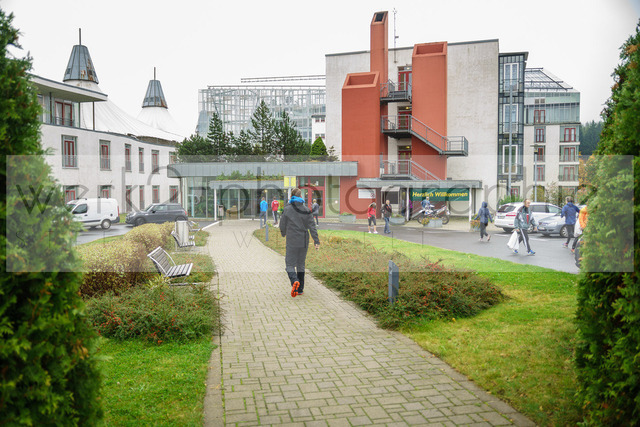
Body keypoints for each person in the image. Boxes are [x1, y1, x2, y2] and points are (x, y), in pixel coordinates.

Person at [279, 188, 320, 297]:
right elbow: (312, 226)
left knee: (289, 264)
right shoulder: (306, 210)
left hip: (292, 240)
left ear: (291, 197)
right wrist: (316, 241)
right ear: (301, 196)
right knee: (301, 264)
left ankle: (294, 281)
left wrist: (283, 233)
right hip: (304, 240)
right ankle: (300, 289)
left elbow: (282, 224)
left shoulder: (287, 209)